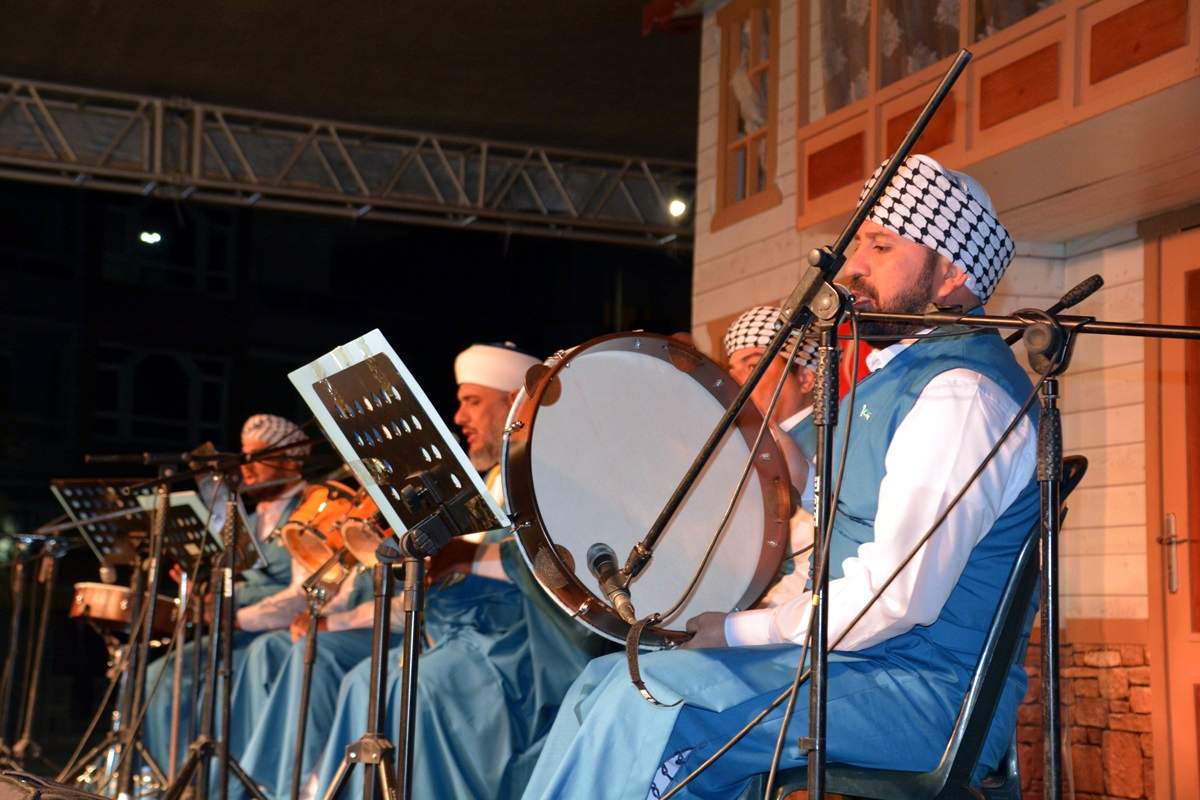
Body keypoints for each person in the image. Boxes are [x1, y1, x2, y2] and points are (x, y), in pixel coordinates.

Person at [520, 153, 1038, 800]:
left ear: (953, 271)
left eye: (881, 246)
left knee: (650, 706)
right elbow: (835, 535)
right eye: (861, 245)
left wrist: (737, 630)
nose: (856, 267)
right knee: (601, 683)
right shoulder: (896, 381)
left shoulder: (960, 397)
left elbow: (894, 600)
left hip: (918, 696)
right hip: (852, 669)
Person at [276, 342, 610, 800]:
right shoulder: (489, 479)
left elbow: (552, 563)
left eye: (472, 401)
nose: (458, 416)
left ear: (514, 398)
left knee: (423, 689)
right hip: (467, 637)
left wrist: (464, 556)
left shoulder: (551, 469)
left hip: (525, 646)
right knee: (369, 683)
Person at [142, 414, 314, 777]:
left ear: (290, 460)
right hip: (234, 628)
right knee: (160, 676)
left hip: (274, 629)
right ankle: (175, 779)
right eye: (244, 456)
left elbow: (301, 592)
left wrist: (228, 613)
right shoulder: (248, 520)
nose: (246, 468)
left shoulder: (311, 508)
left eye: (258, 457)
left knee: (229, 675)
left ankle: (235, 781)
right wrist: (201, 584)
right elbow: (238, 582)